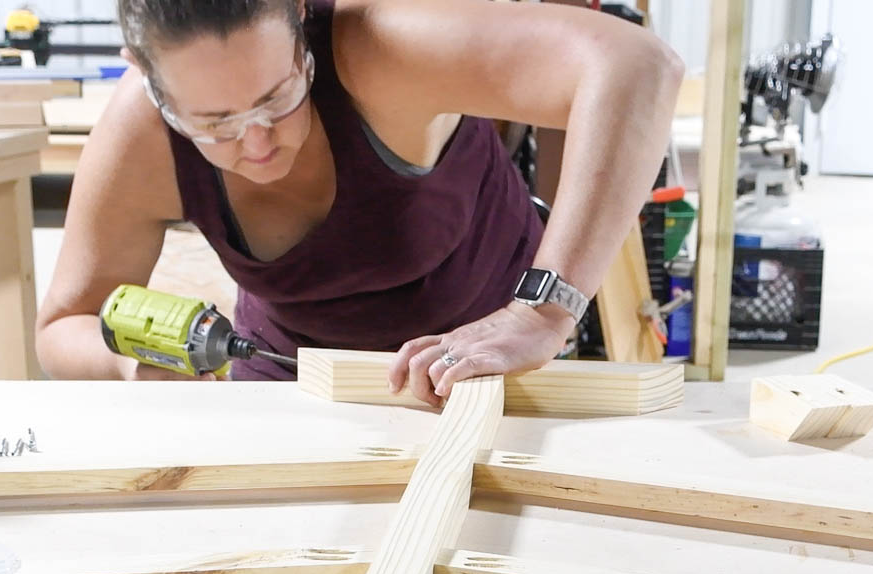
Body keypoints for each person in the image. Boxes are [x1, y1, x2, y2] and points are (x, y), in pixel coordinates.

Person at [35, 0, 682, 405]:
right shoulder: (140, 133)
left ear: (296, 16)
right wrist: (128, 368)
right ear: (146, 76)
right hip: (296, 373)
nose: (256, 143)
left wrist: (543, 314)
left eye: (276, 97)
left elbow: (638, 67)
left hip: (487, 360)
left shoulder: (380, 45)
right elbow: (63, 326)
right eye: (216, 124)